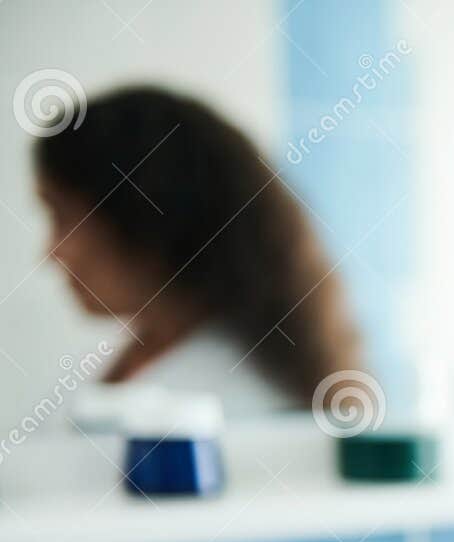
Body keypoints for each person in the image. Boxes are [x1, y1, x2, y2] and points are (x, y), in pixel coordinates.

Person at [34, 85, 360, 421]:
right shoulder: (115, 366)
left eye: (63, 216)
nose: (51, 252)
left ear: (148, 216)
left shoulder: (249, 407)